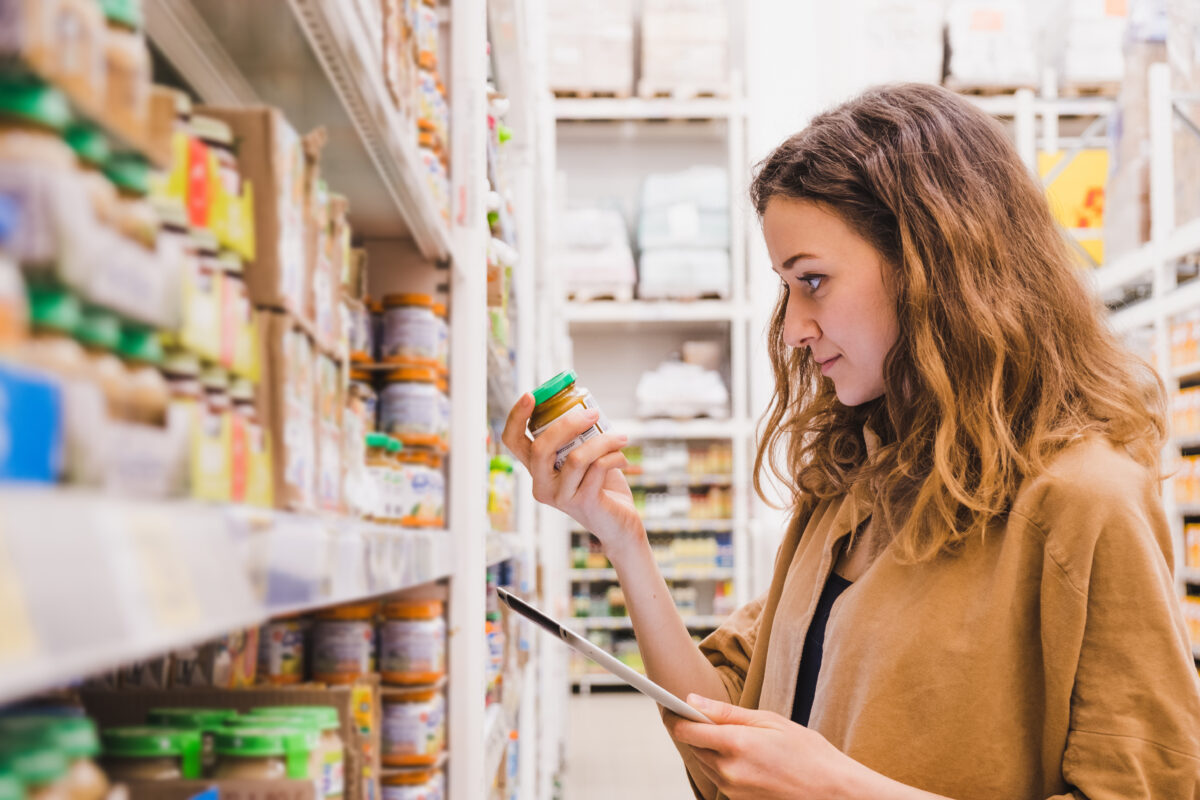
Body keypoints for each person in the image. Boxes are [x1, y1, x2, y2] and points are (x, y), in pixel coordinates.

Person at [501, 82, 1200, 799]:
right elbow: (725, 730)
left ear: (934, 263)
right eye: (785, 287)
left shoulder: (1084, 503)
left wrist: (838, 789)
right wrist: (623, 539)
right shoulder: (849, 486)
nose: (795, 327)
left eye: (813, 281)